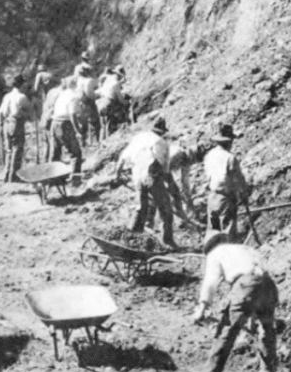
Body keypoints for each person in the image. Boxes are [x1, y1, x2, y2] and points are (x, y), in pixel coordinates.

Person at [191, 230, 280, 372]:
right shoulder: (246, 249)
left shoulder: (216, 253)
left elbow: (211, 282)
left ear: (209, 246)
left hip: (246, 285)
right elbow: (259, 276)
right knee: (266, 328)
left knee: (227, 328)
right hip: (268, 285)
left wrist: (202, 308)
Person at [113, 117, 187, 247]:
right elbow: (160, 166)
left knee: (140, 207)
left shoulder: (139, 137)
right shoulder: (161, 143)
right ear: (162, 132)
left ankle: (132, 236)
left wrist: (117, 175)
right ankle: (168, 240)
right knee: (166, 209)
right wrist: (170, 188)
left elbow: (123, 157)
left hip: (136, 174)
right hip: (151, 176)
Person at [203, 123, 250, 236]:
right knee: (227, 233)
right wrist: (244, 193)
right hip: (226, 198)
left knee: (213, 234)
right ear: (229, 142)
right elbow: (238, 178)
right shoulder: (230, 158)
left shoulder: (209, 155)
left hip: (212, 197)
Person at [0, 75, 34, 183]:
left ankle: (6, 174)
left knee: (8, 150)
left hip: (6, 123)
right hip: (16, 123)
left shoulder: (7, 96)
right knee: (17, 149)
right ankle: (14, 175)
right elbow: (31, 113)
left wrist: (0, 125)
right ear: (21, 85)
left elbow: (0, 112)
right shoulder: (22, 97)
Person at [49, 75, 84, 178]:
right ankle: (75, 179)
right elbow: (72, 114)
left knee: (55, 152)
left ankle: (53, 177)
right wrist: (77, 130)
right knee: (75, 153)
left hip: (54, 123)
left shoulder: (62, 94)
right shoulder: (74, 96)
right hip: (64, 124)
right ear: (75, 85)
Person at [75, 63, 100, 143]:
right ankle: (96, 141)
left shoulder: (79, 80)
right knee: (94, 122)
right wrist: (97, 96)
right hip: (87, 103)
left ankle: (84, 143)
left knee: (83, 124)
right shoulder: (88, 81)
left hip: (79, 104)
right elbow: (89, 93)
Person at [40, 82, 62, 162]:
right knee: (54, 143)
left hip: (44, 118)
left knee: (47, 144)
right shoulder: (58, 93)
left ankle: (45, 161)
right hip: (49, 119)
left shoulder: (52, 91)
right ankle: (53, 162)